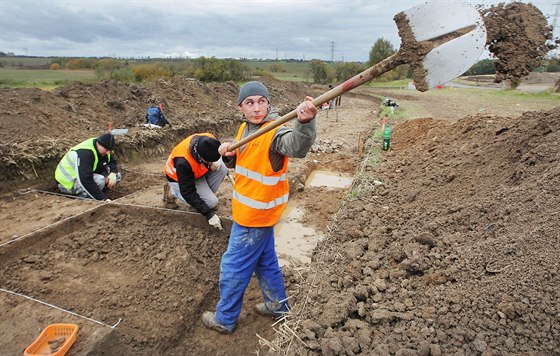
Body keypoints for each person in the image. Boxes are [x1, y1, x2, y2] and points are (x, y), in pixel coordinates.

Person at [201, 81, 318, 333]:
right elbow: (245, 161)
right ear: (240, 108)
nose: (256, 108)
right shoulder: (245, 128)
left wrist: (305, 123)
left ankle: (224, 318)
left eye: (261, 101)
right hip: (252, 212)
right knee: (266, 262)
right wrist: (229, 156)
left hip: (255, 216)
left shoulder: (276, 132)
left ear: (268, 103)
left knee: (232, 267)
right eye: (249, 103)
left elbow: (297, 146)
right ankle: (277, 305)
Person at [163, 133, 228, 231]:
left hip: (196, 172)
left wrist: (218, 160)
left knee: (222, 168)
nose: (210, 163)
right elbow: (188, 192)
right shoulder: (183, 162)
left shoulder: (210, 139)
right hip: (178, 179)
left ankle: (200, 201)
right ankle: (172, 191)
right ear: (200, 157)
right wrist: (208, 214)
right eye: (208, 162)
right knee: (211, 203)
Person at [55, 133, 121, 201]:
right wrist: (102, 199)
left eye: (110, 150)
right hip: (67, 183)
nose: (108, 153)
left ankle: (96, 192)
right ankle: (84, 198)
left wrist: (113, 172)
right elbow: (85, 180)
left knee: (116, 176)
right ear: (98, 144)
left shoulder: (103, 147)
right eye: (106, 150)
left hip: (83, 175)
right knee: (100, 181)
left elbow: (111, 161)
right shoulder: (85, 153)